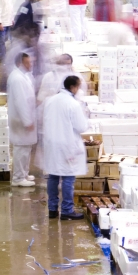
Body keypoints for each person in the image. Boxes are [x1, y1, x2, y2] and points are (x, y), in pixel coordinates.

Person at [43, 75, 89, 220]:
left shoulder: (50, 100)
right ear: (73, 87)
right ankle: (67, 210)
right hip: (67, 144)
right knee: (68, 177)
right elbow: (81, 127)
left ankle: (52, 209)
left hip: (51, 143)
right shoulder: (73, 104)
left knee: (53, 175)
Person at [7, 52, 37, 187]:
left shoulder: (23, 76)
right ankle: (18, 178)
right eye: (27, 63)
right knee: (21, 148)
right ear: (20, 63)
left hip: (25, 118)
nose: (30, 65)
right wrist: (27, 121)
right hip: (20, 120)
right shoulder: (17, 79)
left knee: (26, 147)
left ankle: (24, 173)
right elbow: (21, 102)